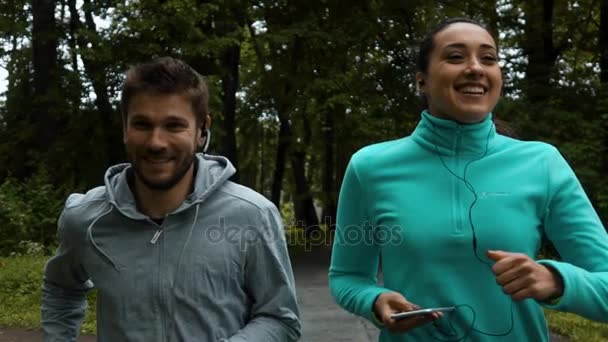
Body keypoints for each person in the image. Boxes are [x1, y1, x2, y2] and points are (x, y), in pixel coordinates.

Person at [328, 17, 608, 341]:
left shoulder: (543, 163)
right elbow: (347, 277)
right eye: (456, 57)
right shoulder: (369, 168)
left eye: (488, 58)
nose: (475, 68)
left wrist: (557, 280)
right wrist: (374, 301)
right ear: (422, 81)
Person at [41, 57, 301, 341]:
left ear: (202, 130)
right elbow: (61, 287)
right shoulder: (85, 218)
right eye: (142, 124)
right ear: (125, 128)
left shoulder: (252, 214)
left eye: (174, 126)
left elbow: (280, 319)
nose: (156, 142)